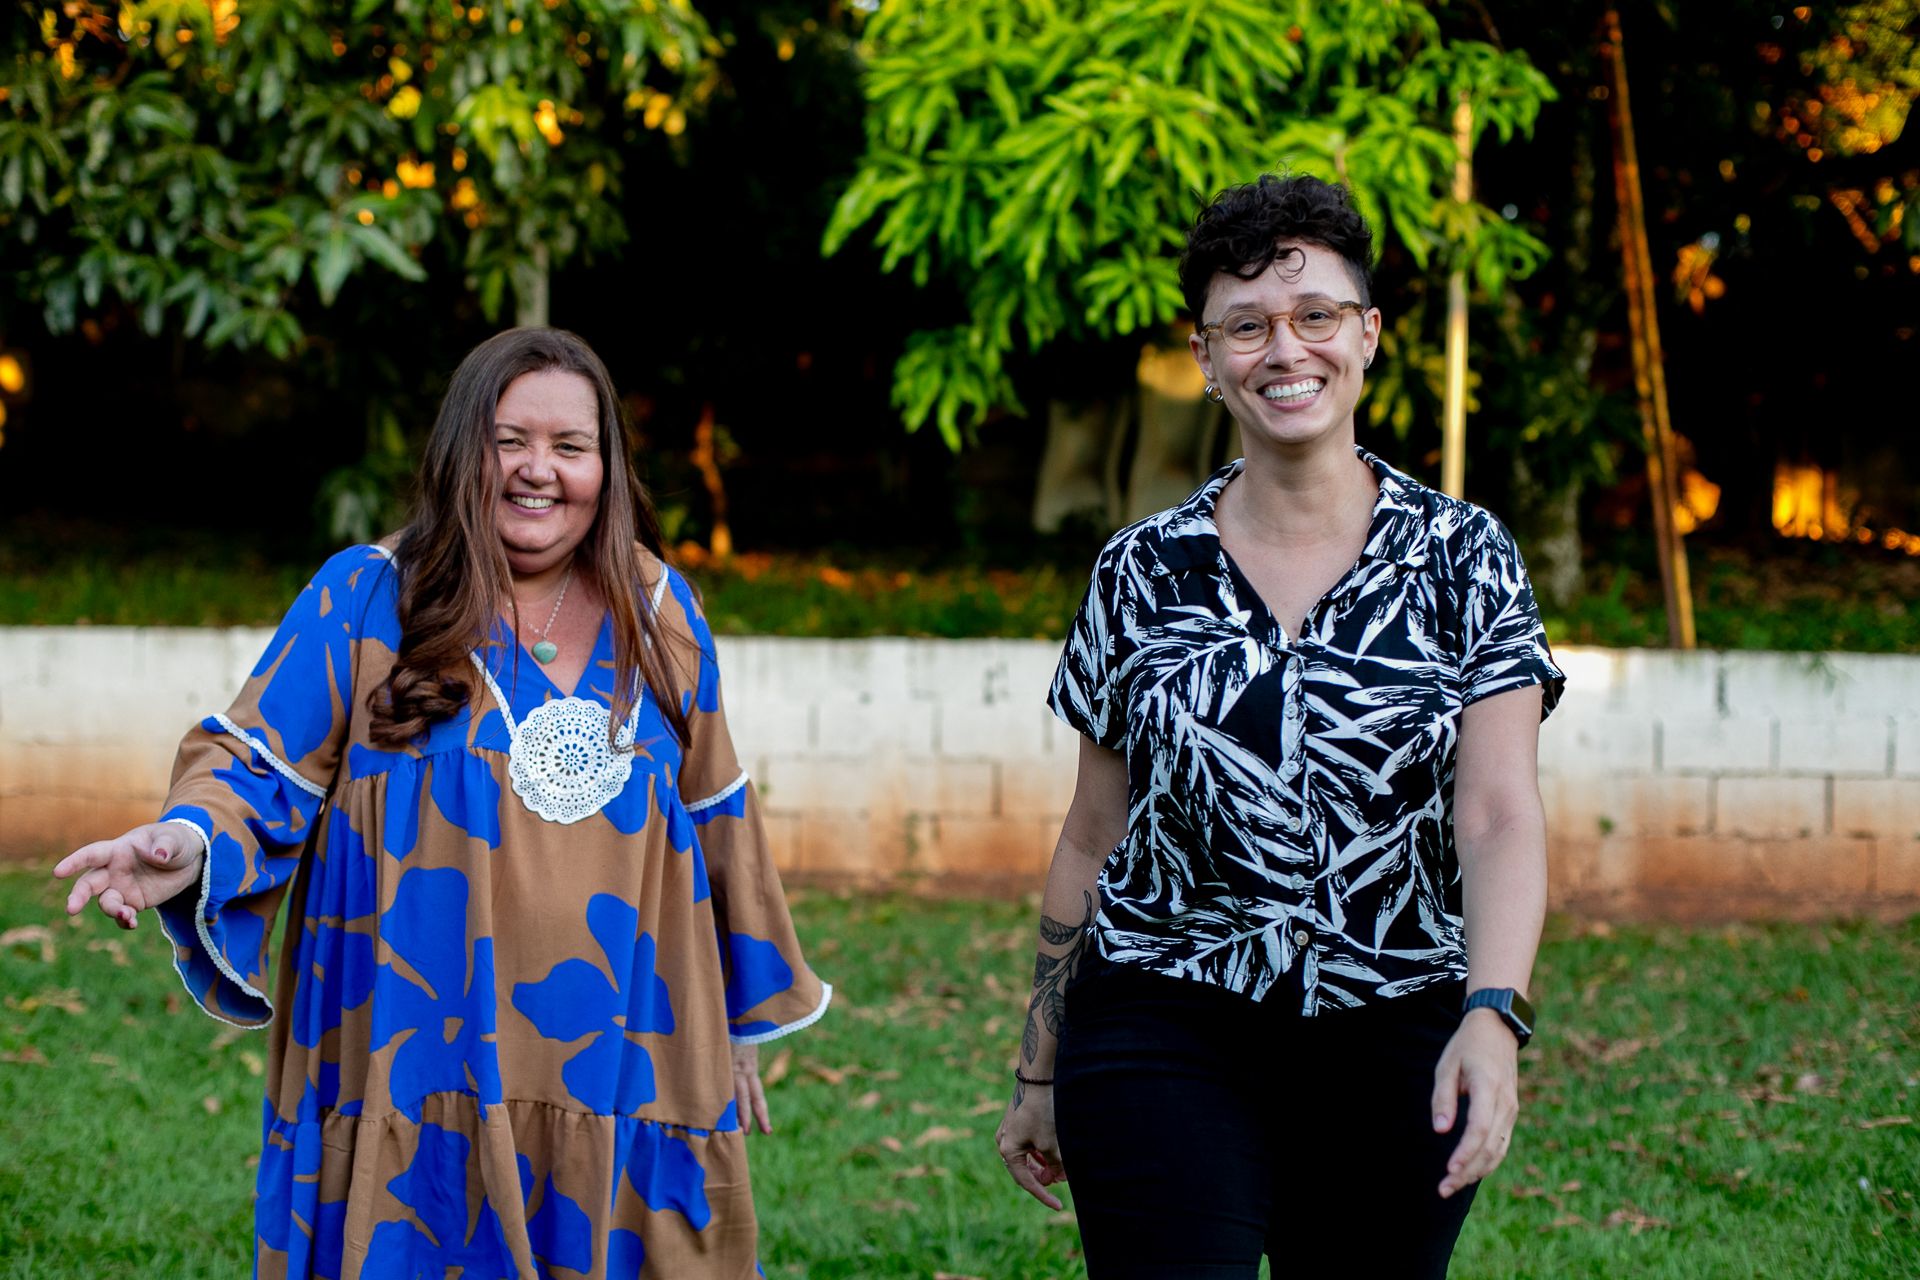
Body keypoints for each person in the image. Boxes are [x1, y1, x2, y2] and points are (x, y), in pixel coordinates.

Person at [54, 327, 830, 1279]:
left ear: (607, 464)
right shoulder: (367, 596)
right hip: (417, 1061)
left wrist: (738, 1022)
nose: (538, 471)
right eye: (509, 441)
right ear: (463, 449)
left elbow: (714, 807)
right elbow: (253, 759)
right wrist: (185, 836)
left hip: (626, 1062)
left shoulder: (662, 609)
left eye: (569, 447)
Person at [994, 174, 1564, 1278]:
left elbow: (1497, 813)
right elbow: (1091, 832)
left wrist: (1493, 1017)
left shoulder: (1465, 557)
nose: (1285, 350)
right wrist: (1037, 1067)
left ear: (1369, 334)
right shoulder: (1142, 570)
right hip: (1165, 1019)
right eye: (1245, 325)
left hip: (1398, 1029)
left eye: (1316, 316)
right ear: (1205, 358)